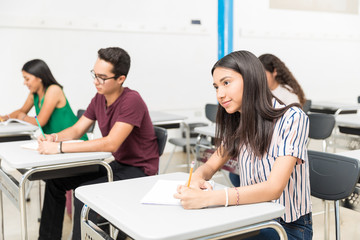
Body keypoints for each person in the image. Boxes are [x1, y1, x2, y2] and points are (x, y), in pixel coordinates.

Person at [174, 50, 312, 240]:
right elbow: (210, 165)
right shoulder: (239, 119)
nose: (220, 94)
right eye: (216, 87)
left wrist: (207, 199)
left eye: (226, 83)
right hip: (250, 217)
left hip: (286, 227)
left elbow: (274, 188)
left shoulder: (292, 118)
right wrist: (197, 177)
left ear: (251, 79)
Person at [36, 47, 159, 240]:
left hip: (139, 171)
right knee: (55, 182)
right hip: (118, 165)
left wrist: (58, 148)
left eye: (102, 77)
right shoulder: (99, 98)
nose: (96, 81)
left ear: (120, 79)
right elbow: (77, 130)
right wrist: (55, 137)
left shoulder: (131, 100)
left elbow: (111, 144)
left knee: (83, 196)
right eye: (94, 74)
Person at [229, 53, 307, 187]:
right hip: (261, 144)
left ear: (274, 72)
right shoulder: (261, 94)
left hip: (276, 147)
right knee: (235, 172)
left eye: (263, 75)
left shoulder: (288, 96)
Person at [0, 59, 87, 140]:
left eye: (27, 79)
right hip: (54, 142)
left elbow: (40, 121)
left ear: (39, 77)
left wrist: (23, 117)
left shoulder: (54, 90)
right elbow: (22, 111)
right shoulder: (34, 94)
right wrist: (5, 117)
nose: (24, 83)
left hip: (73, 140)